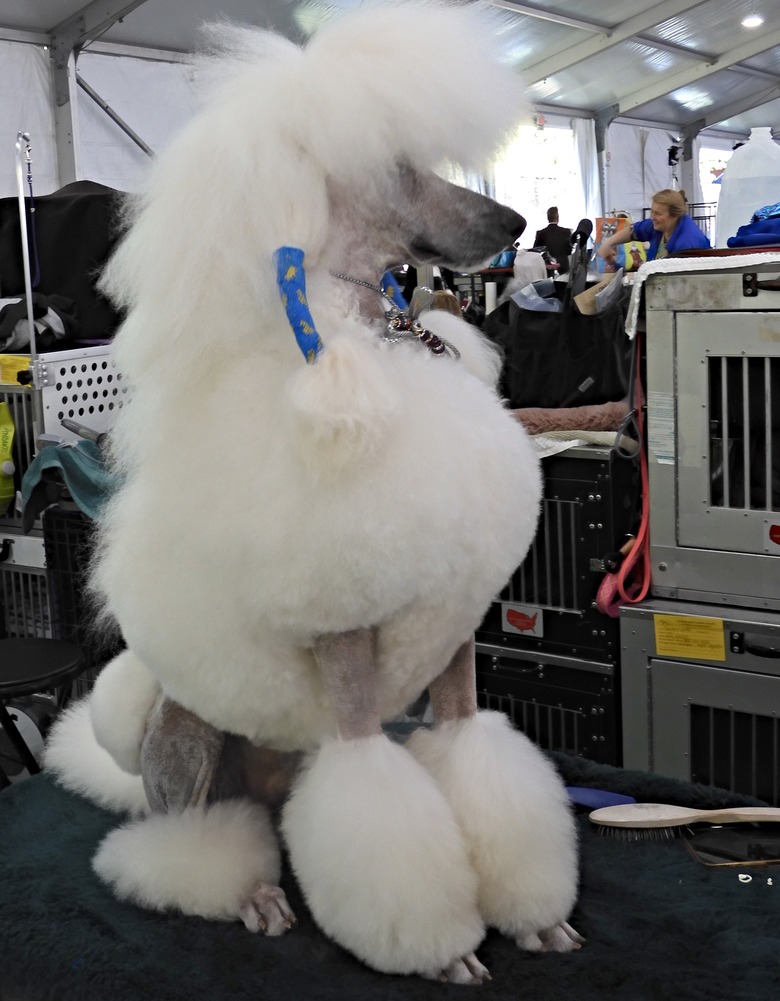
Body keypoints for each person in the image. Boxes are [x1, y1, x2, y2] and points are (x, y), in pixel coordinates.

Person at [597, 189, 710, 267]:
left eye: (658, 214)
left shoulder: (687, 244)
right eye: (652, 211)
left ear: (674, 215)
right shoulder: (660, 226)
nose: (652, 217)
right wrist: (608, 243)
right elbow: (633, 230)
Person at [534, 206, 573, 273]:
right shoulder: (566, 232)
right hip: (563, 267)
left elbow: (536, 250)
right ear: (558, 217)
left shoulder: (540, 233)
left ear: (547, 218)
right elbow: (569, 251)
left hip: (548, 268)